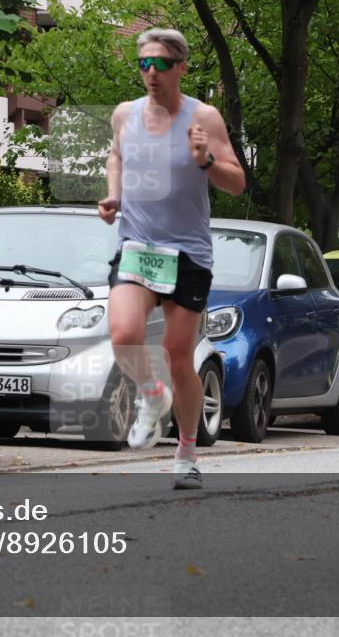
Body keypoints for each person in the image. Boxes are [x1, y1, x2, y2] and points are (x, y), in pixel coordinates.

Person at [98, 28, 245, 488]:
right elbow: (115, 157)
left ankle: (185, 451)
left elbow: (237, 182)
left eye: (160, 64)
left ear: (181, 66)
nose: (150, 73)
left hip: (188, 253)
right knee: (124, 333)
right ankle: (149, 391)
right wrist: (113, 196)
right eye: (143, 64)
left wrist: (205, 160)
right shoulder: (125, 115)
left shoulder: (205, 118)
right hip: (138, 246)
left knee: (179, 357)